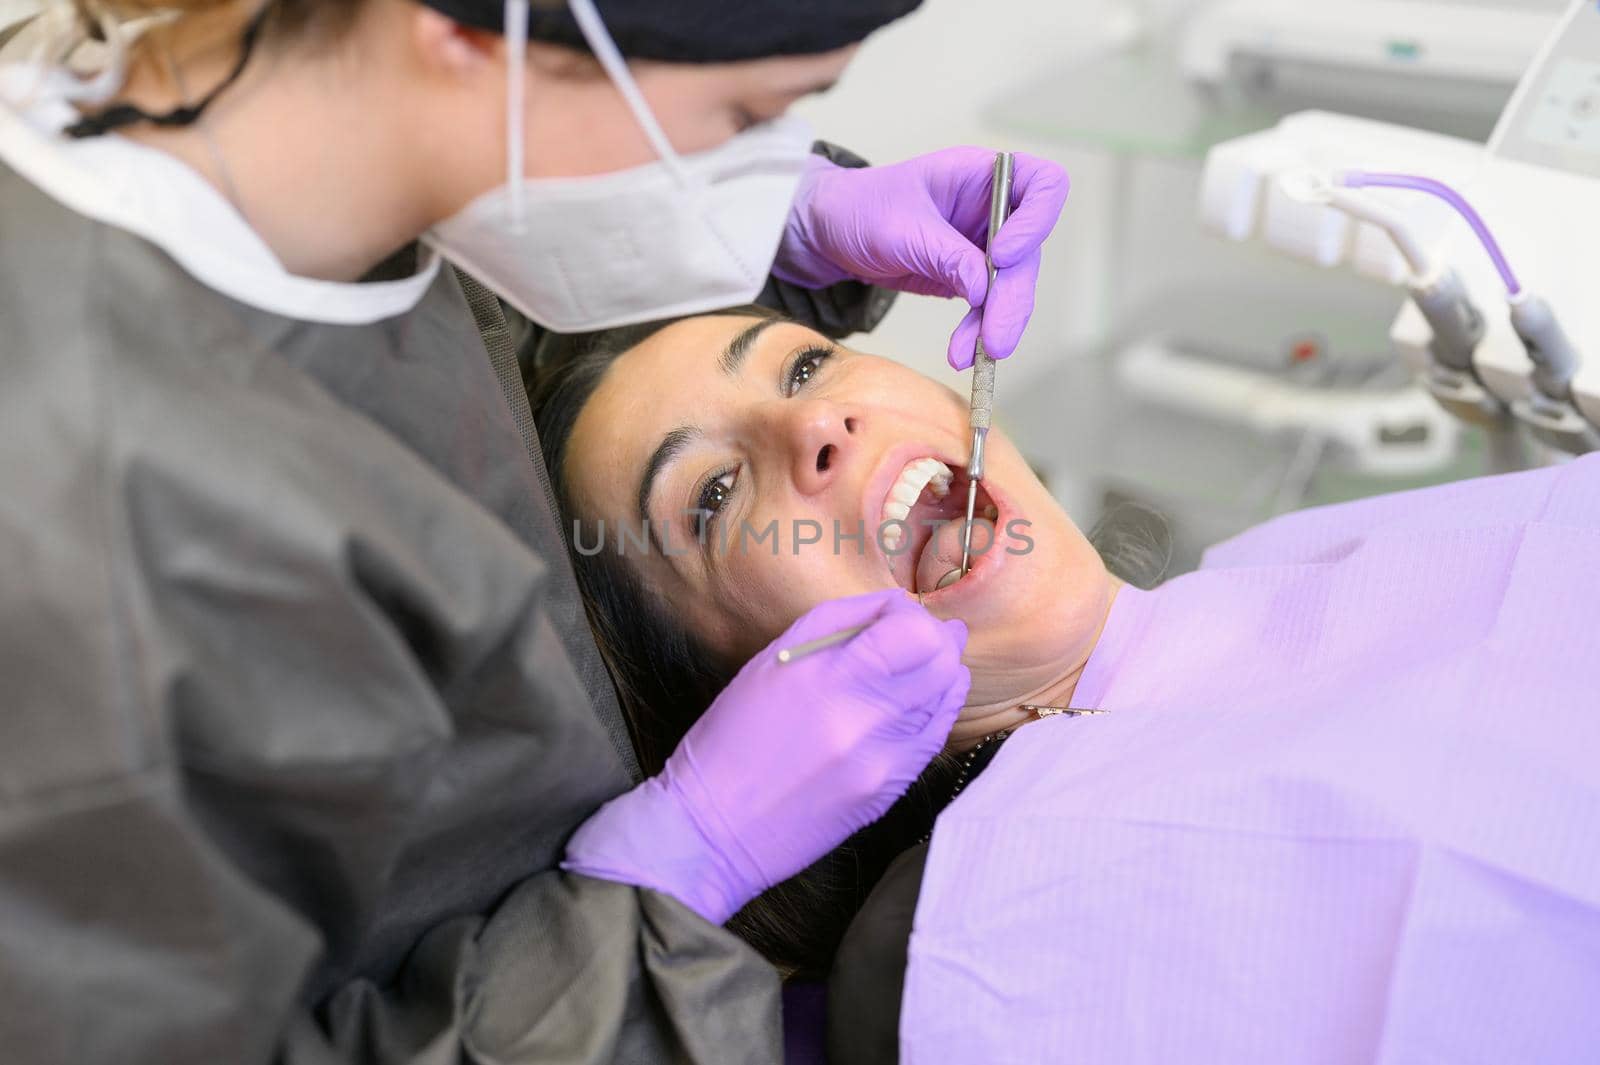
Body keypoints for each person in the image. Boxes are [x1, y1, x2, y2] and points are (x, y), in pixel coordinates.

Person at [0, 1, 1073, 1062]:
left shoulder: (319, 164)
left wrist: (777, 233)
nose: (820, 427)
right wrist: (661, 897)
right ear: (468, 39)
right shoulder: (79, 541)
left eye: (802, 362)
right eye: (742, 116)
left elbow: (529, 376)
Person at [531, 307, 1600, 1063]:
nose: (814, 426)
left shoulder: (1286, 562)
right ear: (725, 700)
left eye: (803, 365)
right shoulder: (950, 961)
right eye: (713, 493)